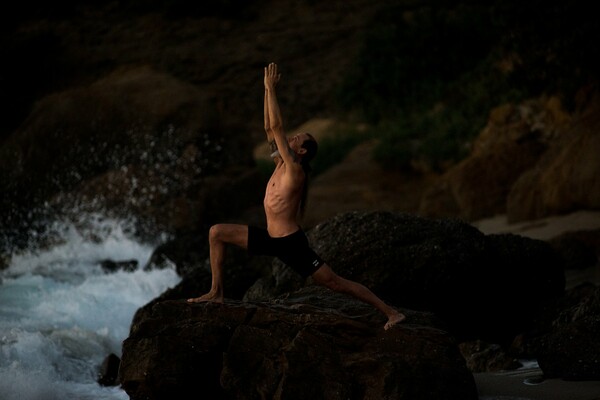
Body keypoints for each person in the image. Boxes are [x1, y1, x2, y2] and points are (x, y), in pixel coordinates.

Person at [188, 63, 405, 330]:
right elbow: (270, 128)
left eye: (297, 139)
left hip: (290, 243)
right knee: (216, 233)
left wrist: (271, 88)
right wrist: (265, 92)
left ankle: (390, 312)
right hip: (270, 238)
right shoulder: (281, 162)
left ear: (301, 151)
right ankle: (216, 292)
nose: (291, 138)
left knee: (334, 282)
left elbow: (278, 127)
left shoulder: (295, 170)